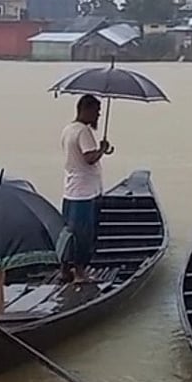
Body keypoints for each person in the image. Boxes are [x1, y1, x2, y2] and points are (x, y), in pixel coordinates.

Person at [59, 94, 114, 282]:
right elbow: (89, 158)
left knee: (68, 234)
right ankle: (80, 274)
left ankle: (65, 270)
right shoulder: (83, 131)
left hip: (70, 191)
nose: (98, 116)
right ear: (86, 110)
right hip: (84, 193)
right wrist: (102, 150)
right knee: (83, 235)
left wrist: (100, 150)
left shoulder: (68, 129)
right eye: (96, 112)